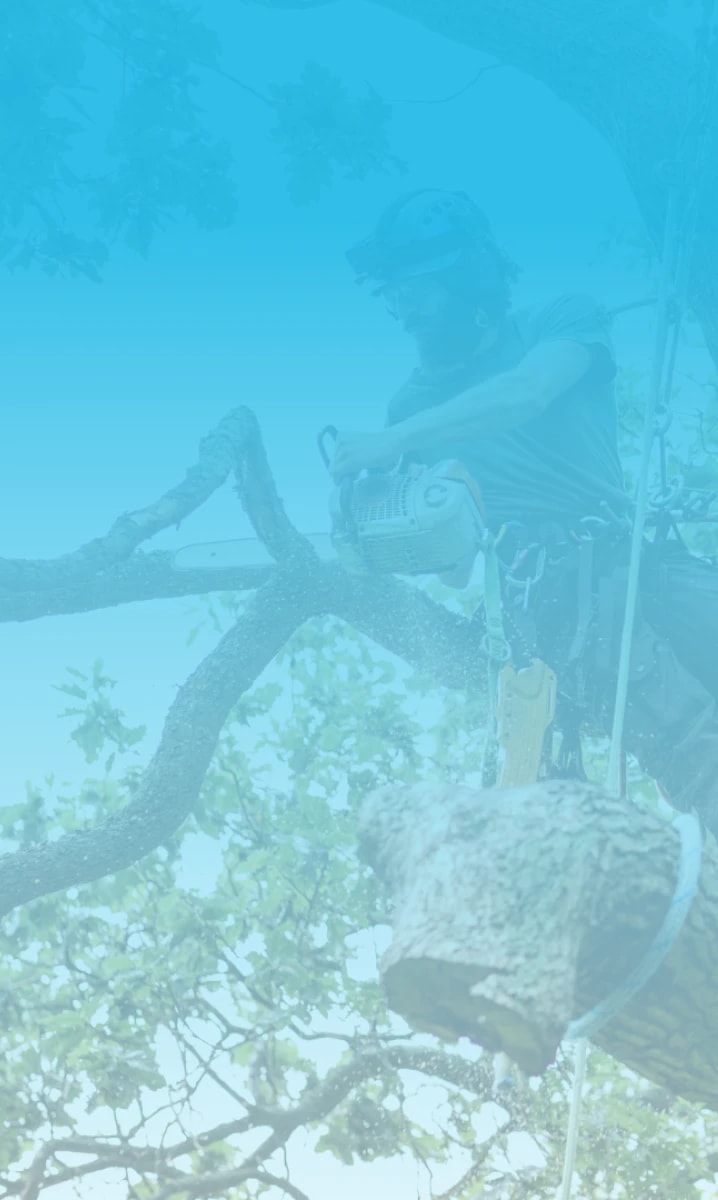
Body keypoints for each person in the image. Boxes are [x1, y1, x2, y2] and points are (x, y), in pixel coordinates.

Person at [331, 188, 718, 836]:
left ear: (466, 279)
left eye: (417, 293)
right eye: (397, 299)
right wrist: (396, 518)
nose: (407, 314)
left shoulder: (560, 323)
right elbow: (453, 569)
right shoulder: (410, 410)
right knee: (695, 744)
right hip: (551, 595)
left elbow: (528, 392)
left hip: (636, 557)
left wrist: (395, 441)